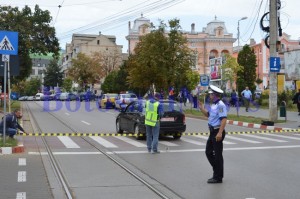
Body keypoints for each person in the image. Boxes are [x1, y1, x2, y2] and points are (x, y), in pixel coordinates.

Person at [198, 85, 227, 183]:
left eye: (211, 94)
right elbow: (208, 115)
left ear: (215, 95)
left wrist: (220, 133)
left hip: (217, 131)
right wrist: (202, 108)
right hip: (212, 132)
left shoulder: (220, 105)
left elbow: (223, 119)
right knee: (208, 152)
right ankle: (217, 171)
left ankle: (218, 177)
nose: (209, 95)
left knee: (218, 155)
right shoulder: (213, 105)